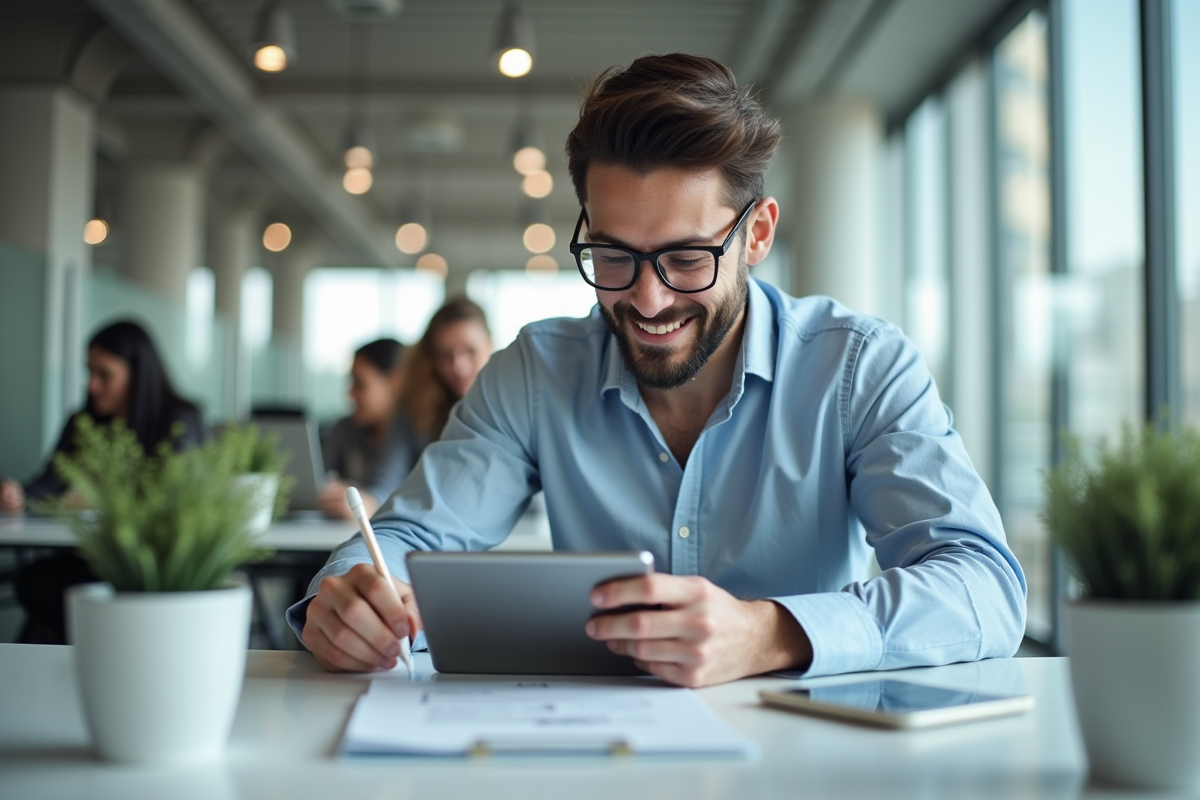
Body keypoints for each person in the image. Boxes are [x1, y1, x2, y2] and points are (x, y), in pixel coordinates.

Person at [287, 54, 1026, 687]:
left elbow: (983, 587)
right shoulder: (534, 373)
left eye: (684, 258)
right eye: (613, 256)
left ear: (756, 233)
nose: (647, 299)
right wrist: (349, 598)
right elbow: (412, 538)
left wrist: (771, 633)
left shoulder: (859, 367)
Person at [8, 320, 203, 642]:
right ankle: (101, 650)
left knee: (68, 591)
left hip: (149, 561)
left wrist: (104, 497)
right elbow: (49, 483)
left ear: (137, 375)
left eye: (105, 374)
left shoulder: (179, 420)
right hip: (90, 554)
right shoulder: (84, 423)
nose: (92, 386)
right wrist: (20, 495)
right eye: (90, 372)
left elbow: (178, 498)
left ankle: (106, 651)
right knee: (35, 581)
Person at [336, 298, 494, 518]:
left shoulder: (513, 408)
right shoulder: (414, 410)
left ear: (491, 346)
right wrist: (364, 504)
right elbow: (387, 482)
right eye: (446, 355)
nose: (458, 366)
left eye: (470, 351)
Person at [317, 339, 410, 520]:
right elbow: (318, 480)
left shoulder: (412, 432)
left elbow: (386, 489)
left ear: (393, 384)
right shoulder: (345, 429)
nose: (350, 394)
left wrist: (363, 504)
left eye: (359, 384)